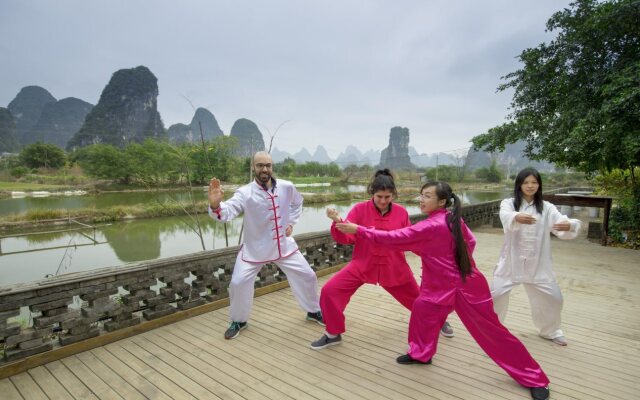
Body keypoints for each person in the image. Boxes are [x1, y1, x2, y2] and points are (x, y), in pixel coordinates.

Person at [335, 181, 550, 400]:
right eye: (421, 195)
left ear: (441, 201)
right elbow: (471, 241)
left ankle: (534, 377)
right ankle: (420, 354)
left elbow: (394, 239)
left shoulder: (432, 225)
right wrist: (441, 257)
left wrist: (359, 230)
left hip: (464, 287)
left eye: (427, 196)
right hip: (437, 285)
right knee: (421, 311)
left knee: (492, 332)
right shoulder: (450, 219)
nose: (421, 199)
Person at [311, 170, 453, 350]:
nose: (383, 201)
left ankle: (439, 321)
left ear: (393, 194)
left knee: (418, 300)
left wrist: (436, 257)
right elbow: (347, 237)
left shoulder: (401, 212)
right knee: (330, 291)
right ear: (372, 193)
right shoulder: (359, 209)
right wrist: (337, 222)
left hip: (394, 266)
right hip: (363, 263)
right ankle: (333, 333)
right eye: (379, 196)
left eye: (388, 196)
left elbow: (410, 239)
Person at [207, 151, 324, 340]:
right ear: (253, 167)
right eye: (260, 165)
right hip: (255, 250)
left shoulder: (287, 187)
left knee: (308, 275)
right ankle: (239, 320)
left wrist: (291, 223)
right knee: (238, 283)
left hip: (284, 247)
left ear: (272, 167)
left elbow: (298, 203)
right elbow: (226, 214)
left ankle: (313, 311)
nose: (264, 169)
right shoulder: (244, 193)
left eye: (268, 165)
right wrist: (215, 205)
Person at [491, 167, 581, 346]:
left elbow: (561, 220)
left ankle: (550, 330)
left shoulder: (546, 208)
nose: (530, 186)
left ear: (539, 185)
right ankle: (494, 330)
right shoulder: (509, 203)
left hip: (538, 263)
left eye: (534, 182)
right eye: (526, 182)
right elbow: (506, 215)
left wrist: (569, 225)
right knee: (497, 294)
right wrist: (516, 217)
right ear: (519, 185)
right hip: (511, 262)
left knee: (554, 298)